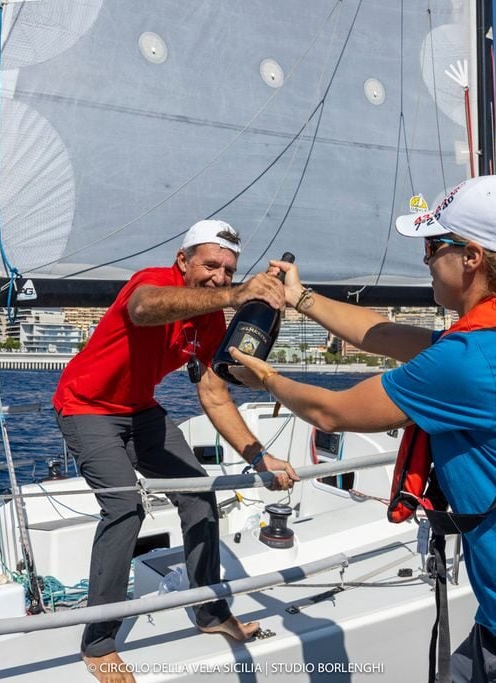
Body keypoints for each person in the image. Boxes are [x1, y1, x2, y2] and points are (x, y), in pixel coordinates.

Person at [230, 175, 496, 682]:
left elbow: (332, 413)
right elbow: (382, 333)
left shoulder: (471, 361)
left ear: (471, 257)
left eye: (431, 246)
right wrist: (301, 297)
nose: (424, 260)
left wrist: (262, 375)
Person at [54, 219, 300, 682]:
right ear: (183, 261)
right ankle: (99, 642)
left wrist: (258, 457)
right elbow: (145, 310)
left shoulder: (211, 320)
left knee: (198, 493)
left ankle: (209, 612)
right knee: (125, 507)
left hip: (140, 409)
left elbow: (213, 395)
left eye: (229, 270)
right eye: (211, 265)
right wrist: (235, 294)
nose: (220, 277)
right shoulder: (151, 283)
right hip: (85, 406)